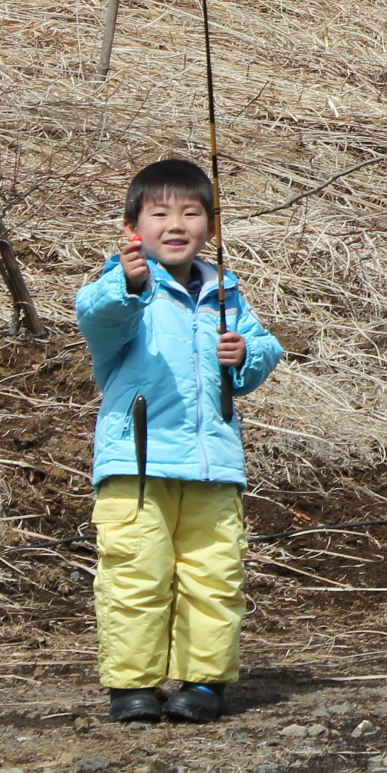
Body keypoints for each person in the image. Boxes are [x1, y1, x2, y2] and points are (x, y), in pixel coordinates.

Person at [75, 159, 283, 724]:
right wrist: (127, 283)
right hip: (137, 464)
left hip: (214, 465)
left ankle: (204, 681)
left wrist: (246, 354)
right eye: (159, 214)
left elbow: (265, 350)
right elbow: (97, 318)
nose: (175, 225)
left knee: (214, 576)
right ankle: (132, 685)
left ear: (210, 228)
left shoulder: (226, 295)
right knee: (135, 574)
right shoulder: (125, 290)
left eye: (191, 214)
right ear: (132, 229)